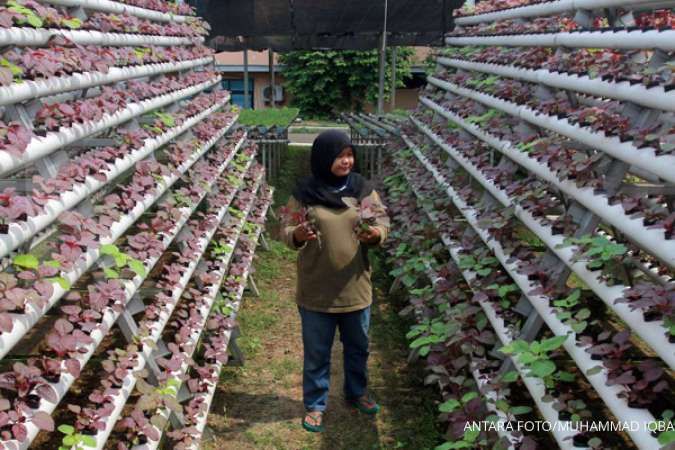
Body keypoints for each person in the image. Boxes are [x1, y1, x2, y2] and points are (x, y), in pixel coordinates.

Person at [280, 130, 390, 433]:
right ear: (323, 157)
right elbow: (286, 227)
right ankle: (315, 405)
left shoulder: (363, 190)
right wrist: (296, 235)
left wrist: (376, 234)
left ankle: (357, 392)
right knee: (317, 351)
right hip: (317, 289)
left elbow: (381, 221)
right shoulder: (304, 192)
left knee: (358, 347)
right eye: (340, 155)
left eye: (349, 154)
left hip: (355, 286)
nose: (346, 160)